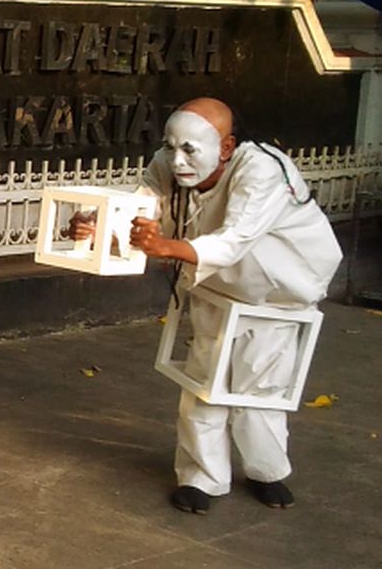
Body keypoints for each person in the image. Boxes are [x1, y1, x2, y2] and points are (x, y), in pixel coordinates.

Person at [72, 97, 342, 515]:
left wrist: (164, 246)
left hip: (276, 291)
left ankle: (266, 471)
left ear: (227, 148)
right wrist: (94, 224)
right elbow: (140, 207)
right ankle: (201, 477)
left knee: (258, 387)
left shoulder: (262, 170)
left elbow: (236, 239)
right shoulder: (167, 163)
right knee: (202, 383)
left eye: (190, 150)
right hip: (213, 285)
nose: (177, 160)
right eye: (171, 146)